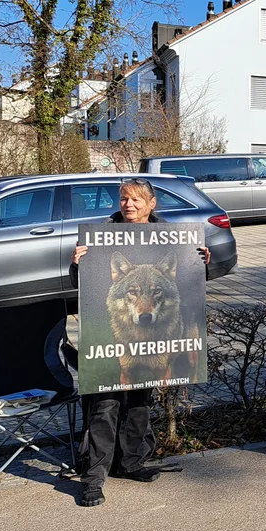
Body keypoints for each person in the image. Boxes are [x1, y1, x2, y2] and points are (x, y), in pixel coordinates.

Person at [70, 178, 209, 508]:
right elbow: (83, 288)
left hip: (157, 342)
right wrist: (77, 264)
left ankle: (131, 462)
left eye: (136, 199)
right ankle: (93, 478)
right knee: (105, 405)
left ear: (152, 204)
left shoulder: (175, 239)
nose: (128, 204)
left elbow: (192, 284)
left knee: (139, 402)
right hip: (112, 340)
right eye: (123, 199)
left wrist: (203, 260)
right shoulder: (101, 236)